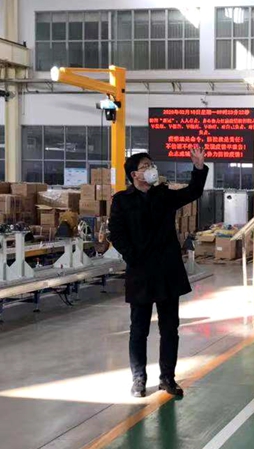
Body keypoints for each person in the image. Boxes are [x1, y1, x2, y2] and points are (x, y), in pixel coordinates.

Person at [109, 148, 208, 399]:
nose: (151, 168)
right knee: (139, 329)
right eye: (145, 165)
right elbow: (117, 234)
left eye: (151, 164)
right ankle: (139, 379)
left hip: (167, 272)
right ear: (134, 174)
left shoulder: (163, 195)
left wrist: (198, 168)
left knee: (170, 328)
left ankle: (167, 378)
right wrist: (133, 257)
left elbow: (193, 192)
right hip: (140, 272)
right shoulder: (121, 200)